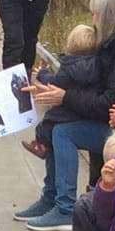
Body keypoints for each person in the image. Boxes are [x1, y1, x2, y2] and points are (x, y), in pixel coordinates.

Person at [15, 0, 115, 231]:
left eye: (96, 13)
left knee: (64, 132)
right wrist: (55, 91)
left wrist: (65, 97)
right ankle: (51, 197)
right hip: (112, 121)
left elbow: (111, 103)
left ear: (108, 15)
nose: (93, 18)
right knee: (56, 123)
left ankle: (65, 208)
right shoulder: (112, 42)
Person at [24, 22, 102, 160]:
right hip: (83, 110)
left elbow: (55, 83)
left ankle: (41, 145)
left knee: (47, 122)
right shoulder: (97, 66)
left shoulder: (69, 66)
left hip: (67, 111)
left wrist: (43, 74)